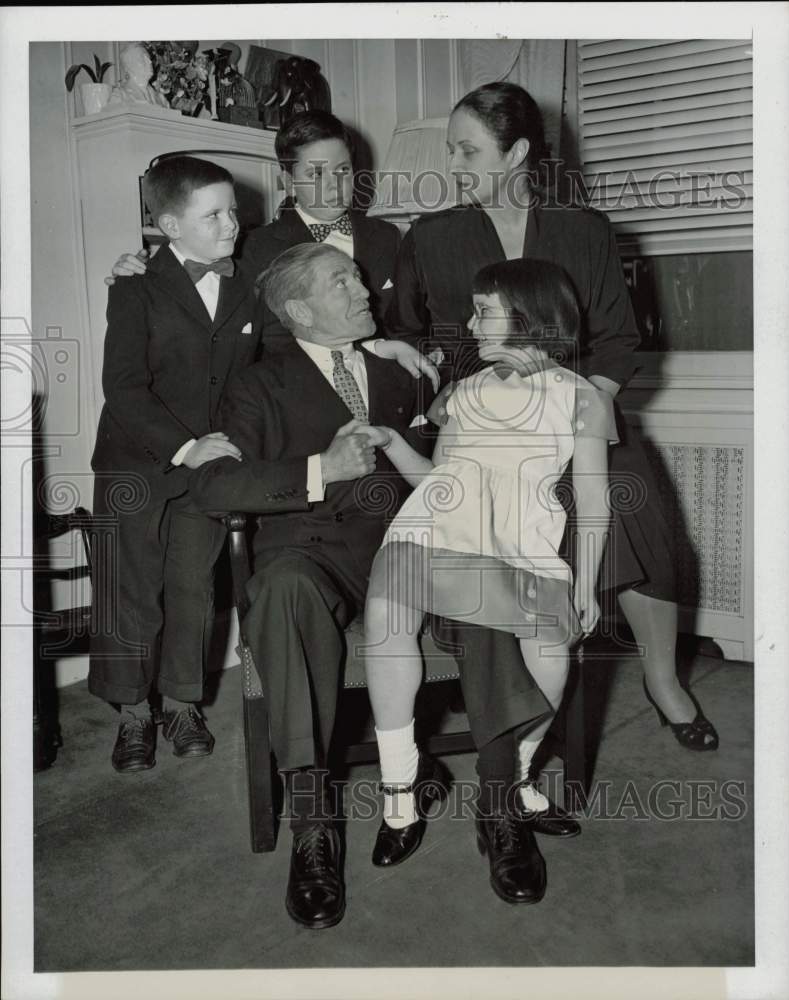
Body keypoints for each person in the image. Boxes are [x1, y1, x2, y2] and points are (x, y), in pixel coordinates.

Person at [188, 243, 557, 927]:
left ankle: (500, 805)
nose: (363, 288)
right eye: (341, 281)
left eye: (357, 275)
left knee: (485, 581)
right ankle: (313, 827)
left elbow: (482, 413)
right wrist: (316, 468)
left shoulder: (400, 371)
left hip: (415, 548)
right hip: (317, 554)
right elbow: (213, 486)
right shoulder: (257, 386)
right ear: (299, 309)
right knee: (281, 590)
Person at [387, 81, 719, 755]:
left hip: (572, 406)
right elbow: (405, 335)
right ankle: (515, 704)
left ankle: (662, 680)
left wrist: (576, 400)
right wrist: (431, 379)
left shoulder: (582, 230)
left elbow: (618, 339)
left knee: (633, 496)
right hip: (479, 427)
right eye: (451, 151)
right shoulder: (430, 237)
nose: (452, 165)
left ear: (515, 155)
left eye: (467, 151)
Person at [364, 257, 613, 904]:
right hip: (432, 530)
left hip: (522, 546)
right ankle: (398, 795)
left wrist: (584, 584)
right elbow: (434, 479)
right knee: (388, 621)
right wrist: (393, 443)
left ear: (528, 317)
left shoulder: (580, 396)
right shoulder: (464, 391)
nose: (469, 322)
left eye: (483, 310)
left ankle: (516, 784)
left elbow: (593, 499)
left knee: (551, 651)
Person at [89, 156, 256, 771]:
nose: (231, 223)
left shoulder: (247, 283)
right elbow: (124, 386)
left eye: (233, 209)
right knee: (130, 589)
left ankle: (182, 700)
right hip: (136, 461)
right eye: (212, 214)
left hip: (208, 465)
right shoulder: (135, 287)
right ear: (167, 225)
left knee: (191, 585)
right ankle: (132, 714)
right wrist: (185, 447)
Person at [108, 110, 434, 382]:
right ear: (288, 180)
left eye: (344, 170)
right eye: (316, 174)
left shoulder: (387, 236)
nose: (335, 185)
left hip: (386, 387)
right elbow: (246, 334)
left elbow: (406, 323)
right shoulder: (253, 247)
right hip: (301, 397)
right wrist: (140, 271)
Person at [108, 42, 171, 108]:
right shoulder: (120, 96)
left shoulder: (161, 100)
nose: (150, 62)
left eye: (149, 58)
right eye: (143, 59)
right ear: (129, 66)